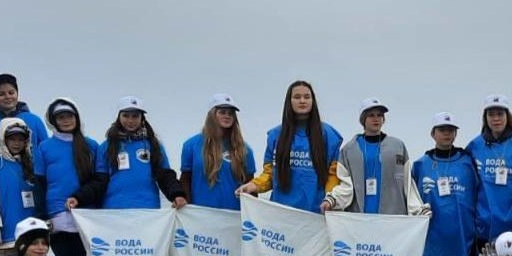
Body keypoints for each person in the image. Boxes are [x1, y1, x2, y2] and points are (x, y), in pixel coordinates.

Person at [34, 98, 99, 256]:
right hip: (57, 215)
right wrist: (43, 217)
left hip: (86, 215)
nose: (66, 120)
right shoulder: (44, 147)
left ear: (76, 117)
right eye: (61, 117)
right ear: (54, 121)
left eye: (69, 116)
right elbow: (39, 184)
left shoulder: (91, 146)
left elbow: (98, 180)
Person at [236, 80, 343, 213]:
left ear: (313, 101)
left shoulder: (329, 135)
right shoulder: (275, 135)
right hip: (281, 213)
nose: (302, 101)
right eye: (297, 97)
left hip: (315, 214)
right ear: (289, 101)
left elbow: (333, 176)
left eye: (307, 97)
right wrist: (252, 186)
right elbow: (270, 174)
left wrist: (329, 199)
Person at [411, 112, 479, 256]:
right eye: (442, 130)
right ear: (433, 133)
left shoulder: (467, 161)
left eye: (451, 130)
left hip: (463, 240)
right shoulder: (421, 165)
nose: (447, 134)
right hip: (434, 242)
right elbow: (412, 200)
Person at [321, 98, 425, 215]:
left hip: (392, 219)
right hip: (359, 219)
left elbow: (408, 183)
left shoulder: (397, 147)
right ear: (363, 119)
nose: (376, 119)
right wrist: (332, 200)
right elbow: (345, 185)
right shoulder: (349, 150)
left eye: (379, 115)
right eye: (371, 115)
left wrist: (418, 210)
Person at [466, 94, 512, 243]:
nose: (496, 119)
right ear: (485, 117)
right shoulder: (475, 147)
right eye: (491, 114)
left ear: (507, 116)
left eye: (500, 114)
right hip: (485, 228)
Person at [94, 96, 186, 209]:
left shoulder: (153, 145)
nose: (130, 121)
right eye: (125, 116)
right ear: (119, 117)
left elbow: (165, 176)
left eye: (135, 116)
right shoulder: (106, 146)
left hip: (148, 209)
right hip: (114, 208)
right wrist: (80, 199)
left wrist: (177, 194)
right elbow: (100, 181)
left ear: (142, 118)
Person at [0, 118, 43, 256]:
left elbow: (42, 195)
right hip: (6, 239)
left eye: (21, 139)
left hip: (33, 238)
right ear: (3, 139)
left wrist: (45, 220)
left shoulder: (33, 164)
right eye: (12, 139)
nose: (16, 143)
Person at [179, 94, 256, 210]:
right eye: (222, 112)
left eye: (231, 113)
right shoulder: (191, 145)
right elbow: (185, 180)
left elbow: (251, 185)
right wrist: (187, 210)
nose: (227, 116)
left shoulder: (244, 150)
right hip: (200, 214)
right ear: (212, 114)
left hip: (233, 215)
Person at [0, 73, 50, 149]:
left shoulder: (34, 120)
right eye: (1, 94)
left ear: (17, 93)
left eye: (11, 93)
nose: (7, 97)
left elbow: (46, 150)